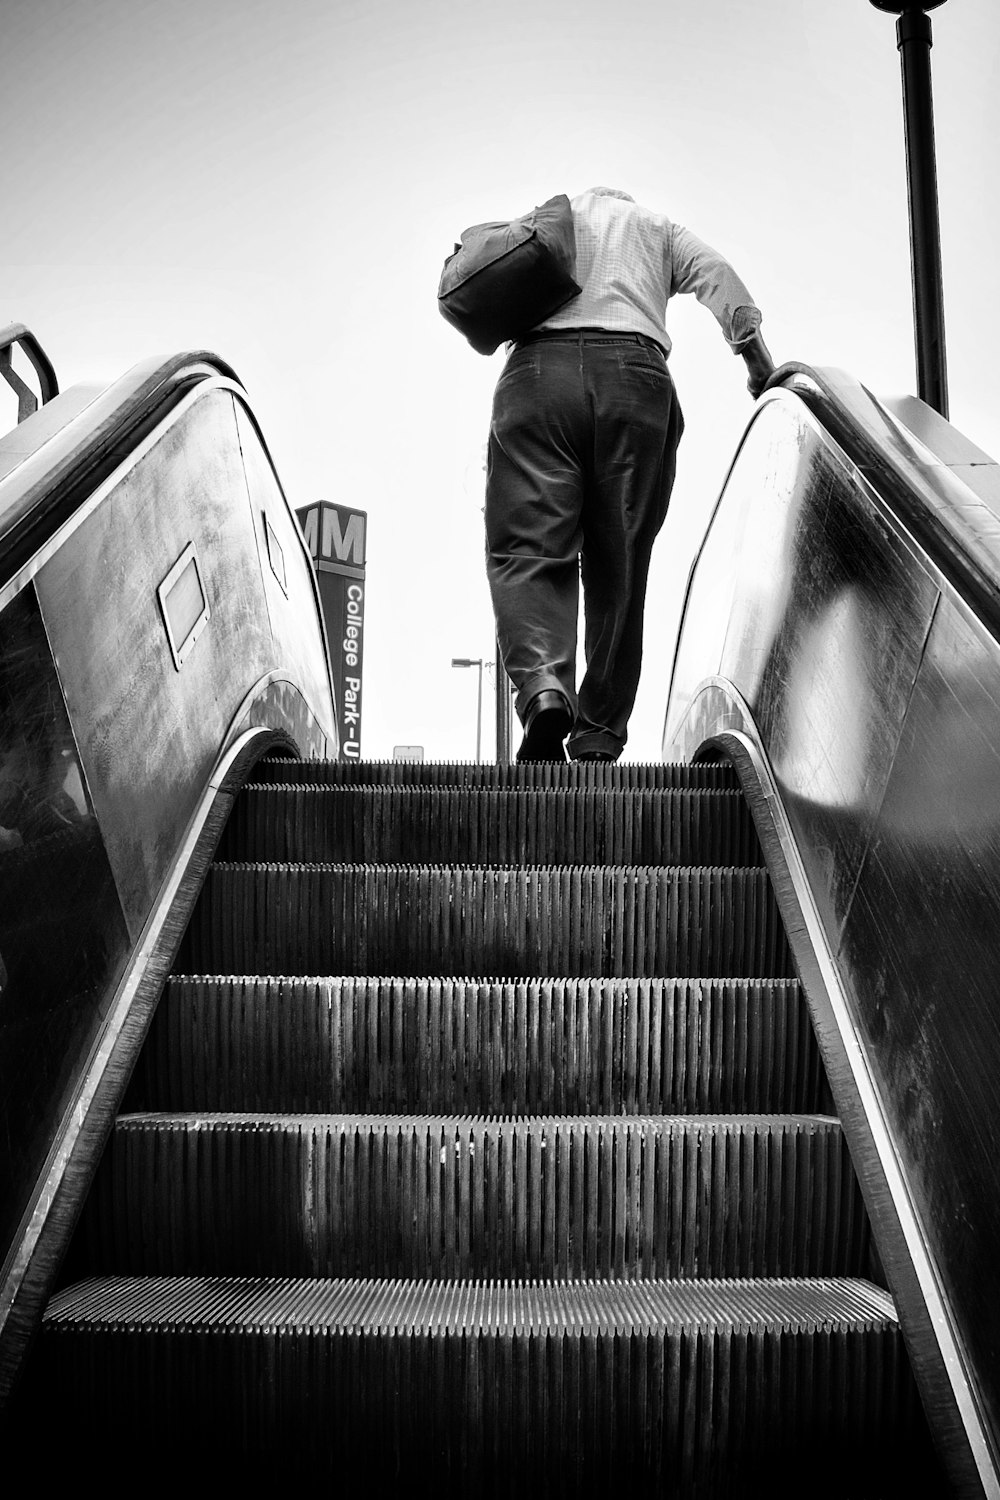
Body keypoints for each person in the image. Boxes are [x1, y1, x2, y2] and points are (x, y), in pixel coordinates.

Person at [484, 185, 775, 763]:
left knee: (528, 552)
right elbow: (721, 280)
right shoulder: (658, 229)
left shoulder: (547, 223)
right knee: (620, 568)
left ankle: (544, 690)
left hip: (538, 379)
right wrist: (758, 362)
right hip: (635, 383)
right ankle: (597, 734)